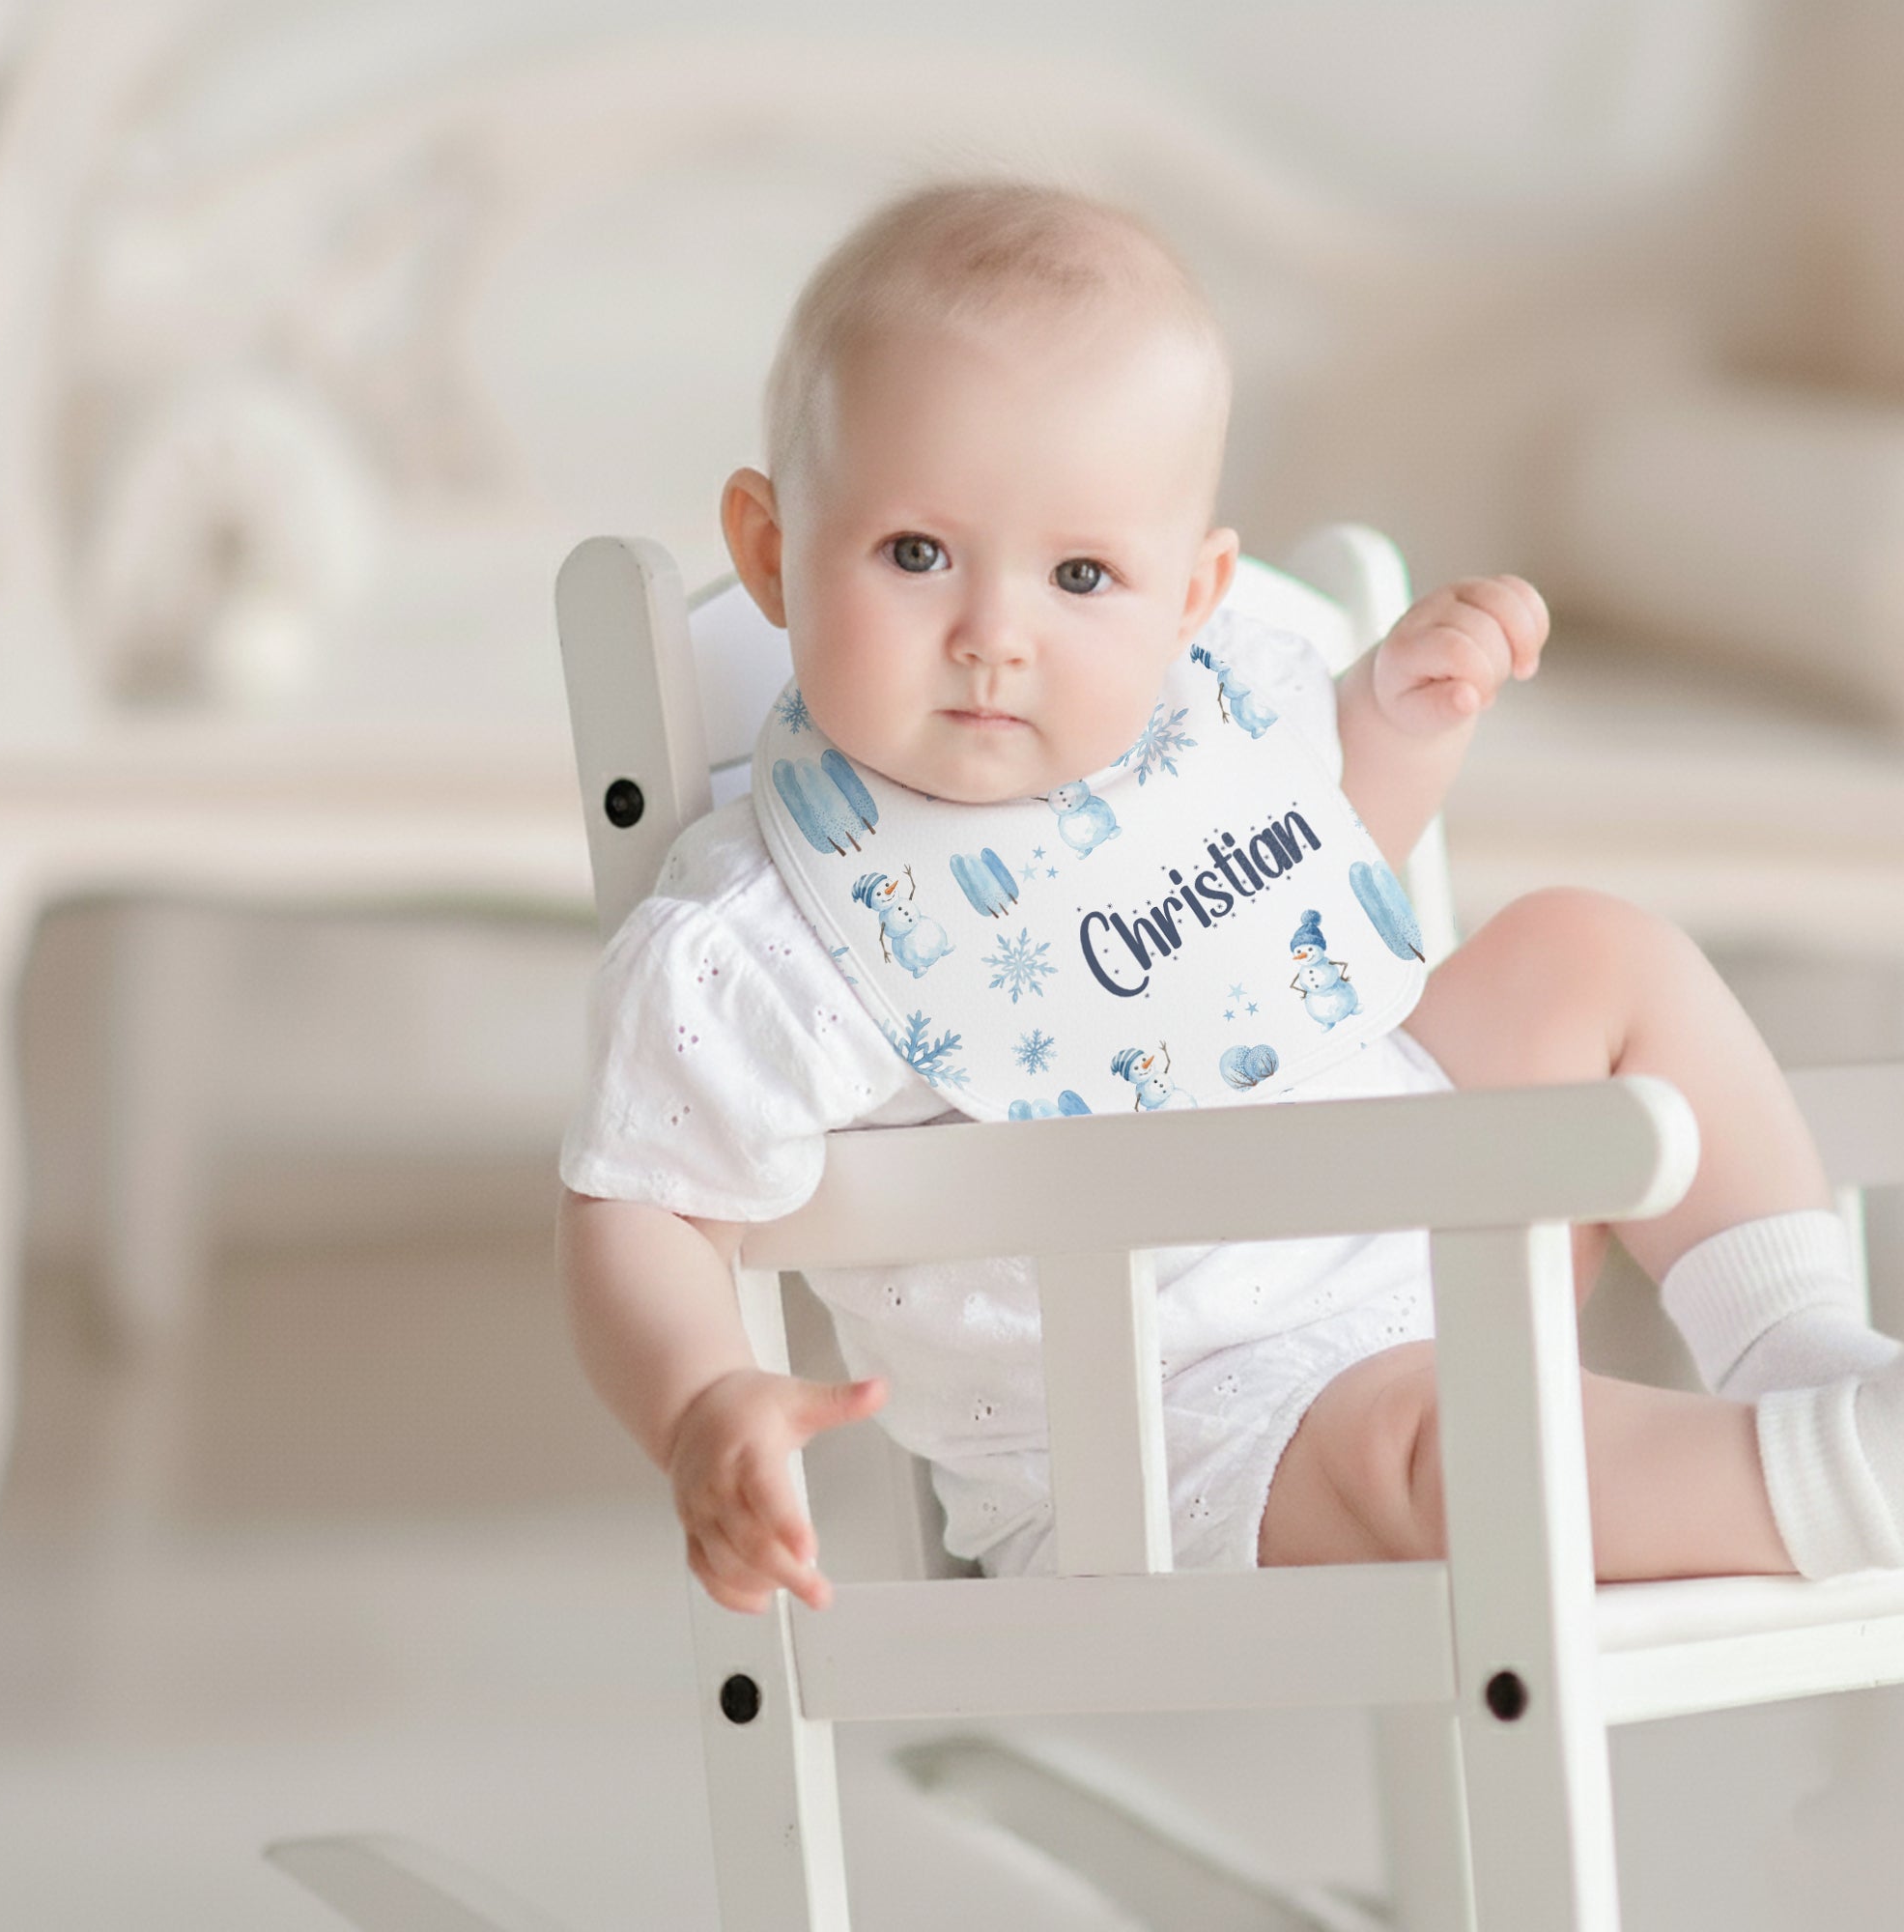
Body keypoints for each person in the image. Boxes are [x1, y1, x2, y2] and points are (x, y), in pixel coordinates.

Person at [558, 179, 1904, 1614]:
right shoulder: (765, 947)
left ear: (1193, 601)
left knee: (1591, 951)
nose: (994, 637)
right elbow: (639, 1210)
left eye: (1081, 574)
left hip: (1415, 1211)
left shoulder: (1204, 731)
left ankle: (1811, 1354)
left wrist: (1397, 721)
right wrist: (703, 1401)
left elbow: (1287, 914)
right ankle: (1832, 1484)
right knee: (1441, 1444)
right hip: (1181, 1431)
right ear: (772, 550)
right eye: (916, 555)